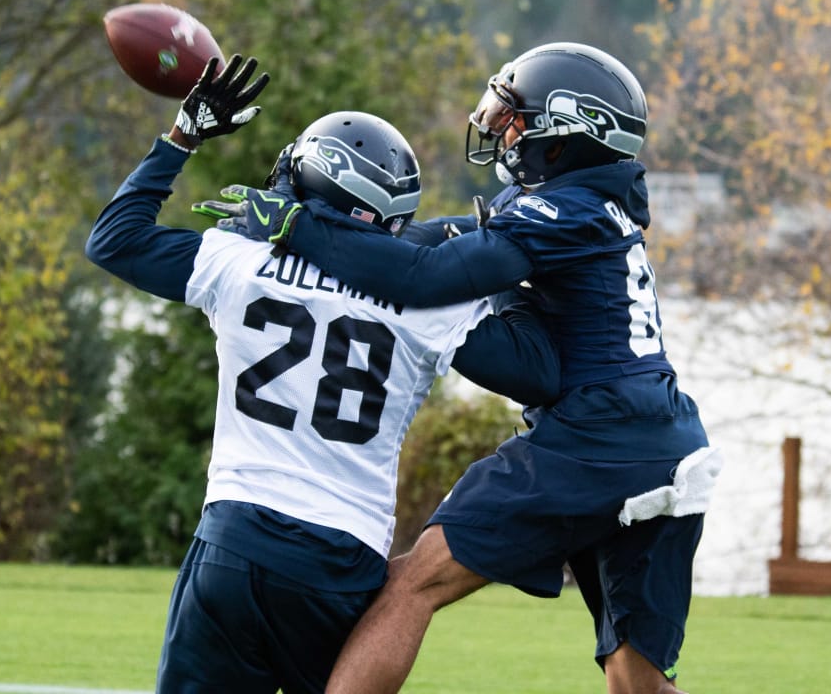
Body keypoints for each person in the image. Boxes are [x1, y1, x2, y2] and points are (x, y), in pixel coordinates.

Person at [229, 42, 722, 694]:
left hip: (600, 433)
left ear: (568, 132)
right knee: (638, 682)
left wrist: (298, 226)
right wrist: (340, 224)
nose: (499, 127)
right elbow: (432, 240)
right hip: (665, 438)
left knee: (412, 584)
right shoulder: (583, 205)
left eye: (517, 118)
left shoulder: (564, 210)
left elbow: (425, 279)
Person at [85, 54, 560, 694]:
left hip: (237, 534)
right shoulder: (427, 296)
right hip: (340, 557)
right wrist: (503, 270)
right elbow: (537, 374)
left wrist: (181, 137)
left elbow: (113, 241)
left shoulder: (240, 258)